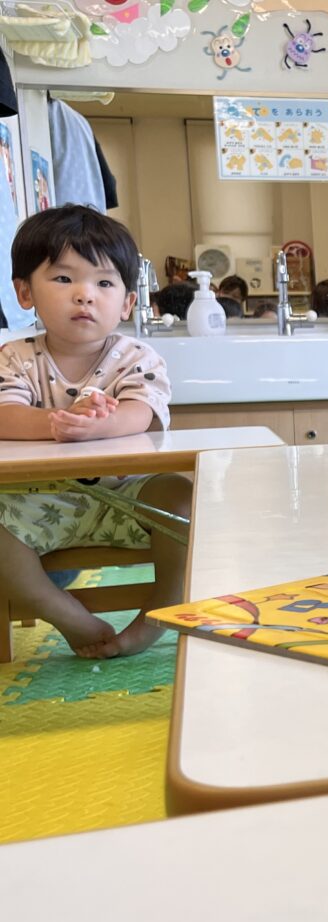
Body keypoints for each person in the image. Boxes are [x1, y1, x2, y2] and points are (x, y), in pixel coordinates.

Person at [0, 204, 191, 659]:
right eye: (64, 278)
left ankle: (159, 615)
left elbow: (141, 412)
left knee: (184, 498)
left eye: (104, 283)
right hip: (36, 502)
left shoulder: (136, 357)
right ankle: (68, 616)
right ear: (25, 292)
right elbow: (5, 415)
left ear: (127, 303)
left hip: (129, 496)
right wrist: (58, 422)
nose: (84, 295)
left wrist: (98, 425)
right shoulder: (14, 357)